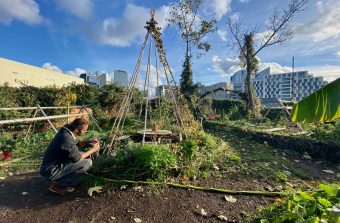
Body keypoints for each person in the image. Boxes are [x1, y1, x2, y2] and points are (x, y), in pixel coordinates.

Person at [39, 118, 100, 196]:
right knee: (87, 162)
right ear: (77, 130)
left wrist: (89, 141)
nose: (85, 132)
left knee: (82, 154)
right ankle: (58, 185)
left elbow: (75, 144)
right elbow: (77, 158)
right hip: (51, 170)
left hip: (52, 165)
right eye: (84, 130)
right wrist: (93, 150)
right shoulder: (66, 138)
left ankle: (60, 179)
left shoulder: (66, 131)